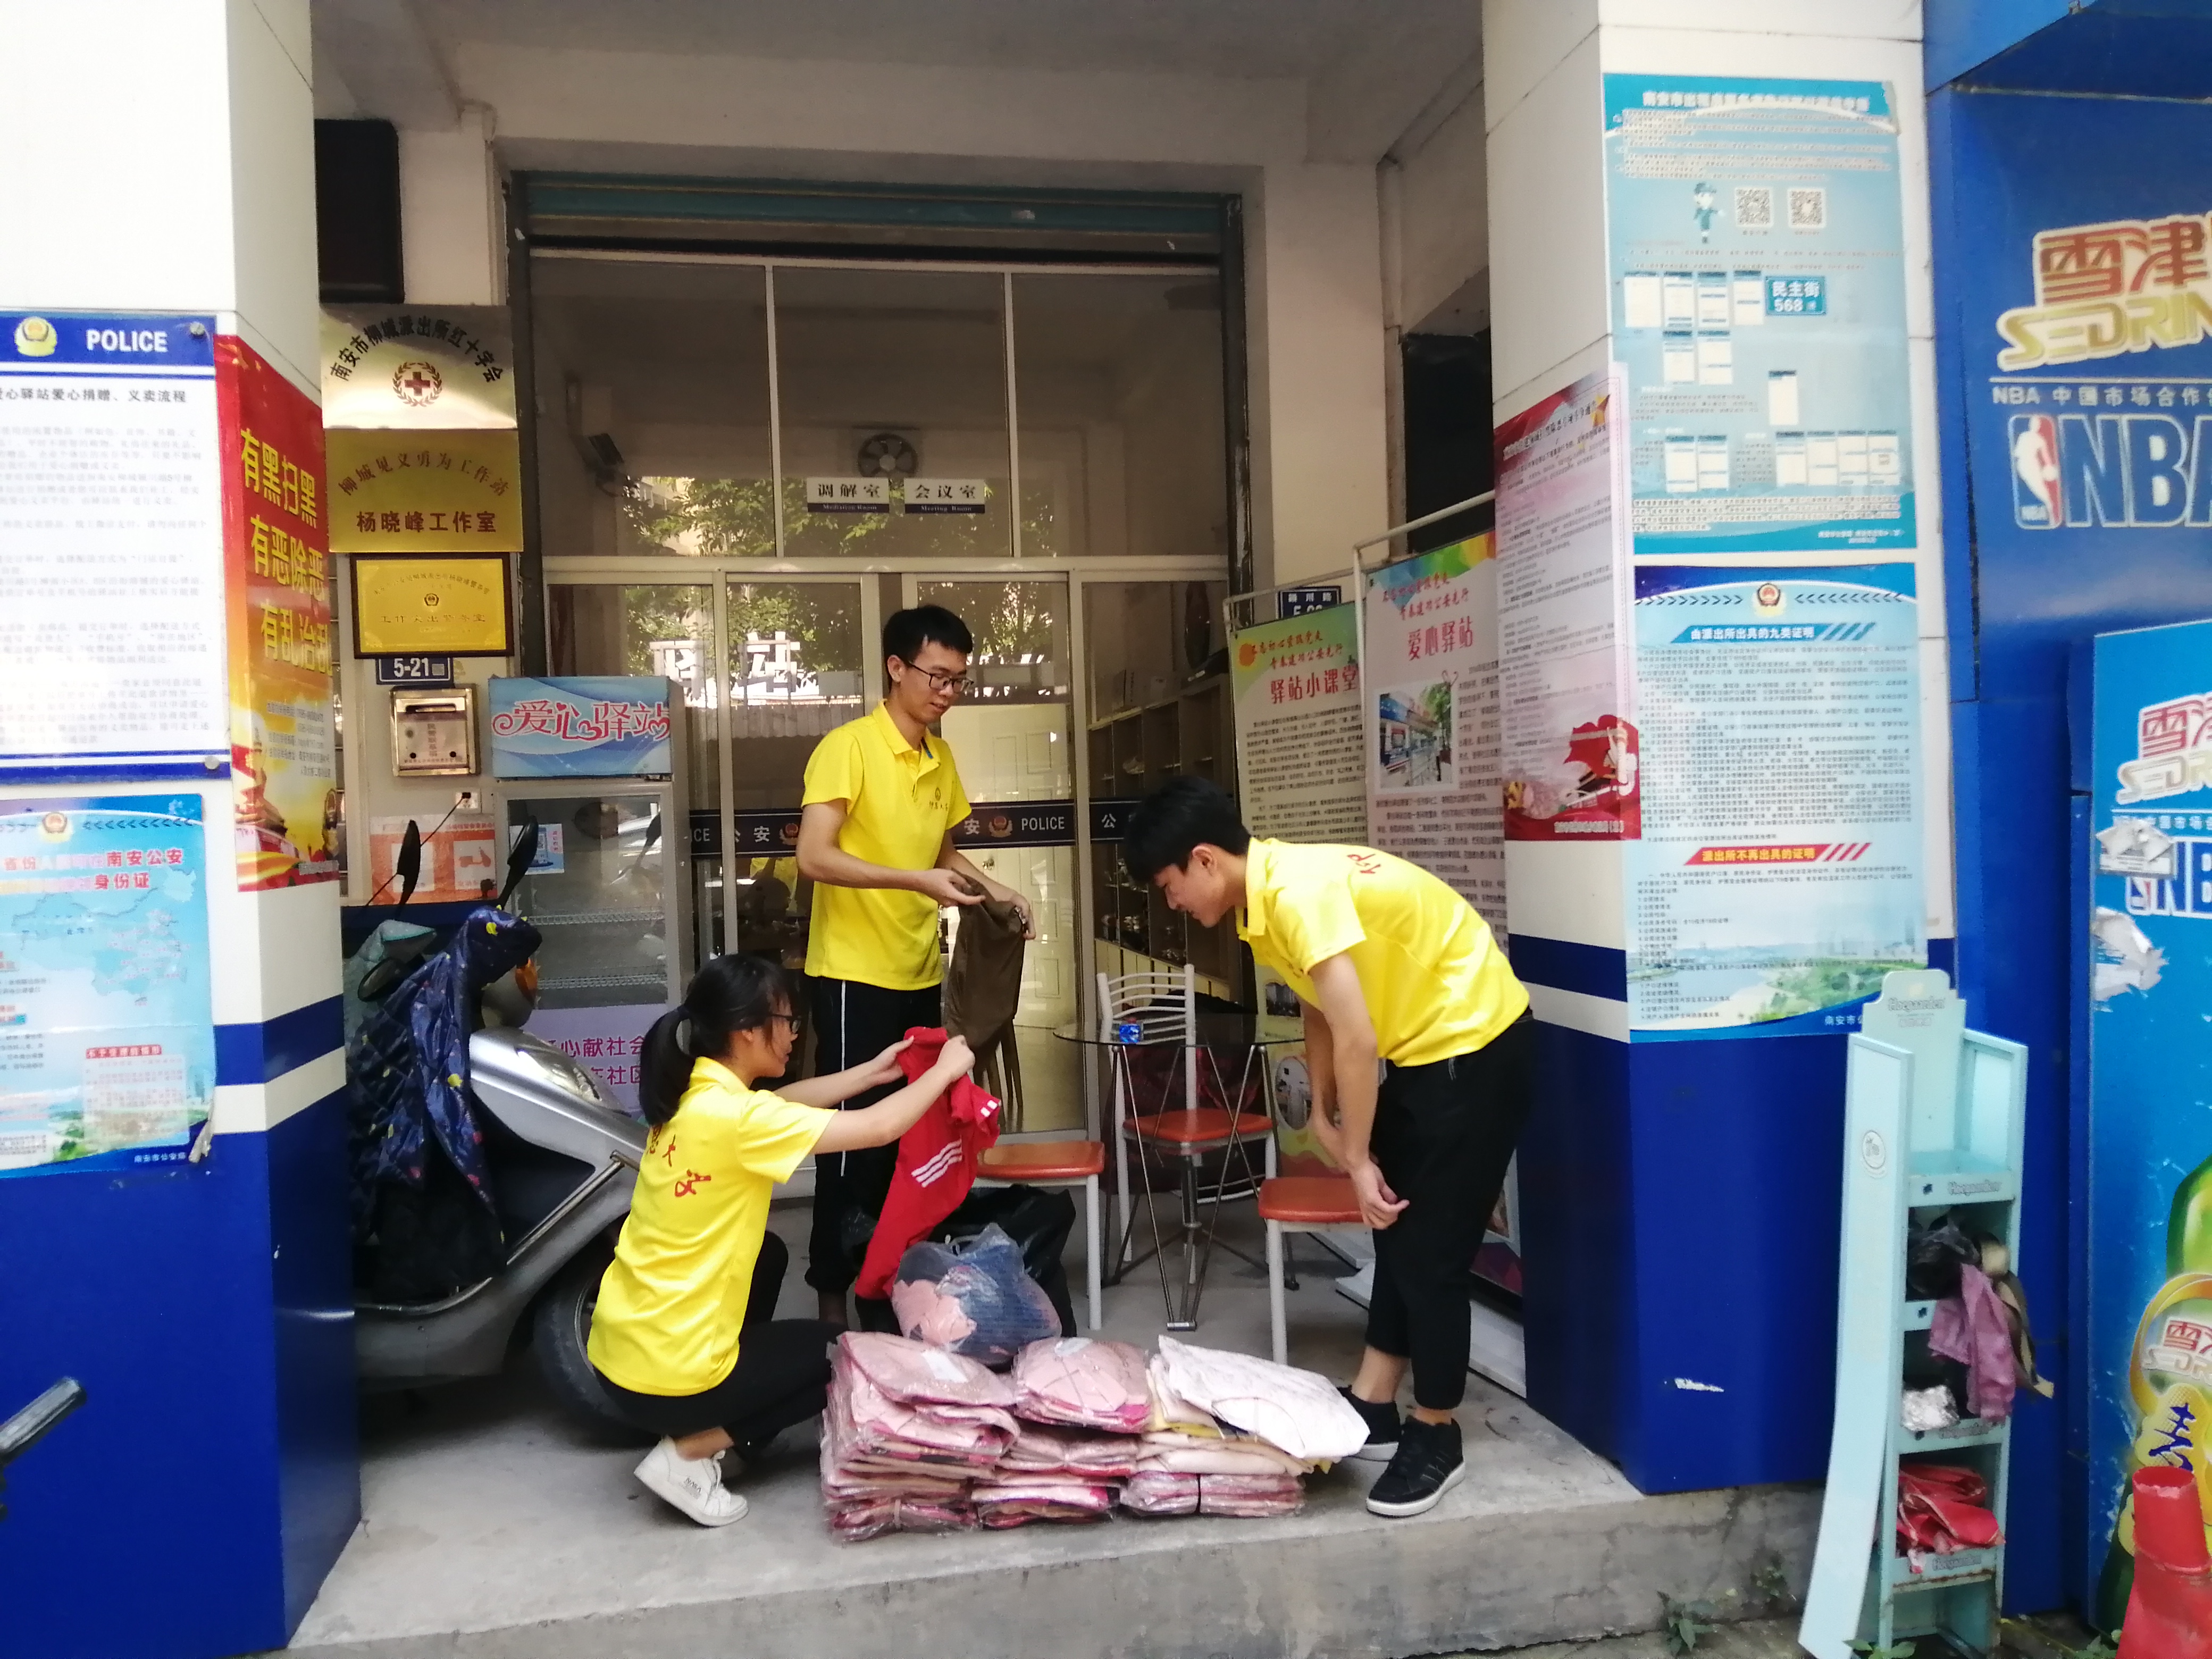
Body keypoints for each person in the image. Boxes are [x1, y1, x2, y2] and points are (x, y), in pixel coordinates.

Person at [1120, 777, 1534, 1519]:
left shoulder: (1297, 894)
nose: (1171, 901)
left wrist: (1357, 1155)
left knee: (1432, 1253)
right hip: (1426, 1050)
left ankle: (1436, 1430)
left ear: (1205, 859)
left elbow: (1358, 1037)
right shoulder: (1264, 901)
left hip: (1475, 1046)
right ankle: (1374, 1402)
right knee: (1398, 1230)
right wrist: (1322, 1111)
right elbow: (1318, 1008)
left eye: (1168, 884)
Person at [587, 952, 974, 1527]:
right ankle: (690, 1452)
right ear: (747, 1031)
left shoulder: (695, 1096)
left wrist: (872, 1072)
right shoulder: (740, 1121)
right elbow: (878, 1128)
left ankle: (720, 1411)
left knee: (767, 1254)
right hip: (666, 1375)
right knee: (840, 1355)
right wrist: (945, 1071)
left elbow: (785, 1103)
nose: (795, 1033)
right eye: (787, 1020)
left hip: (619, 1358)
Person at [795, 604, 1032, 1328]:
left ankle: (890, 1288)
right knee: (849, 1143)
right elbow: (814, 856)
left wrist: (997, 889)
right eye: (937, 676)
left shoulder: (939, 758)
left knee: (910, 1139)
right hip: (851, 975)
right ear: (896, 668)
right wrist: (916, 882)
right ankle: (831, 1298)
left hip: (919, 972)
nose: (947, 692)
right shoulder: (848, 748)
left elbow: (943, 854)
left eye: (959, 680)